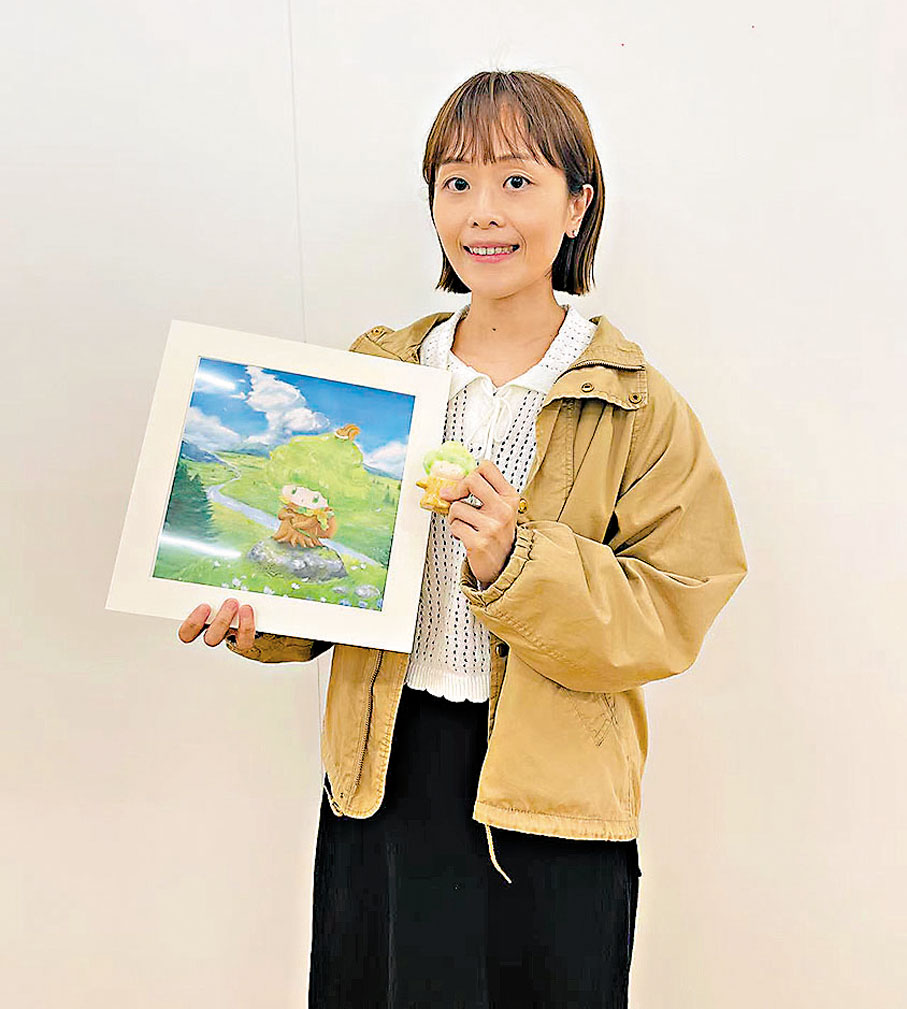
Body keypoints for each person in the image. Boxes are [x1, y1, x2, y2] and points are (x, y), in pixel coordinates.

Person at [178, 70, 748, 1008]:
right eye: (456, 182)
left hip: (553, 795)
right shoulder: (378, 376)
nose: (483, 211)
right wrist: (259, 617)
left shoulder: (634, 400)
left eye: (517, 181)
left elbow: (674, 605)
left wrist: (515, 560)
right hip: (384, 771)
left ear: (578, 204)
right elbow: (339, 571)